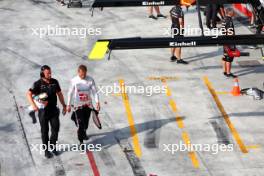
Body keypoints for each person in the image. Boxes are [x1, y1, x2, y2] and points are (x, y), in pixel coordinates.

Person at [27, 65, 67, 158]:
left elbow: (59, 94)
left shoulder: (54, 82)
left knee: (55, 129)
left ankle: (53, 147)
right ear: (42, 74)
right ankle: (46, 151)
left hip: (53, 110)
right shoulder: (37, 84)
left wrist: (64, 105)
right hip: (43, 112)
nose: (50, 74)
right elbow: (28, 94)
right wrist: (33, 105)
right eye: (47, 73)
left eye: (50, 73)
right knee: (45, 132)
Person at [66, 65, 100, 148]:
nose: (83, 76)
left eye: (84, 75)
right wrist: (68, 105)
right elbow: (70, 93)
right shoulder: (74, 80)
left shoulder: (90, 80)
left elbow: (94, 92)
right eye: (81, 75)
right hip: (78, 105)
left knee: (86, 124)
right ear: (78, 72)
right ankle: (81, 142)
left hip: (88, 105)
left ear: (86, 72)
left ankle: (82, 130)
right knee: (81, 125)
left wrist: (97, 102)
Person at [222, 8, 237, 78]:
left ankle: (224, 71)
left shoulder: (224, 19)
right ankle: (228, 73)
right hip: (229, 41)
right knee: (229, 57)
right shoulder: (229, 20)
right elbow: (230, 31)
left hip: (224, 40)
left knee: (225, 56)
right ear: (230, 13)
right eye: (233, 12)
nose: (234, 12)